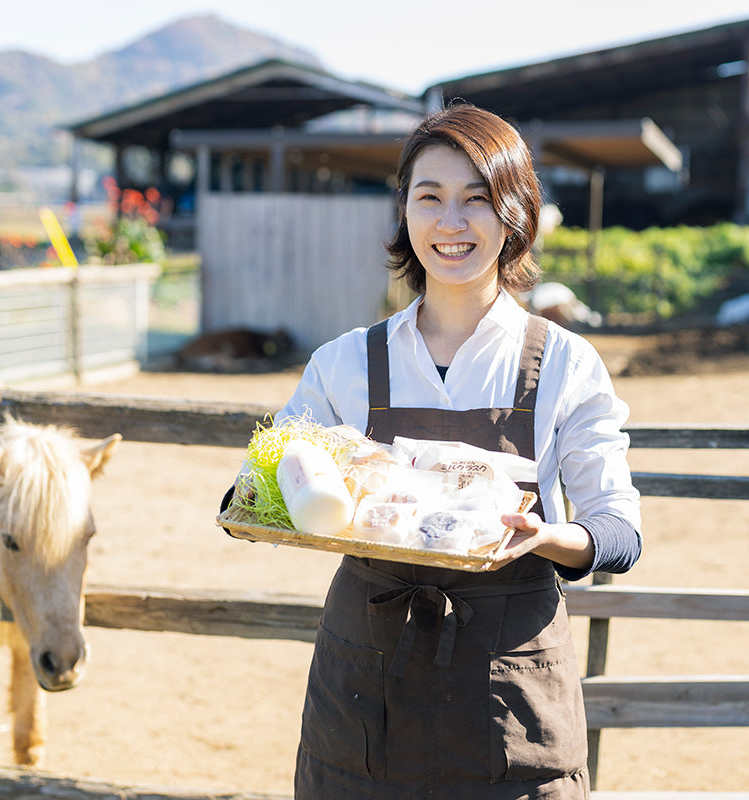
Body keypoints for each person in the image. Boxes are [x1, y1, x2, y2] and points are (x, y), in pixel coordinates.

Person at [266, 103, 642, 799]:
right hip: (366, 682)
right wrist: (287, 497)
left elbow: (618, 530)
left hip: (512, 689)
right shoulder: (345, 362)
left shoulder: (563, 362)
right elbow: (275, 483)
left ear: (516, 213)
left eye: (478, 200)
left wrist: (545, 537)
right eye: (429, 197)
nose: (451, 222)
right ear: (404, 210)